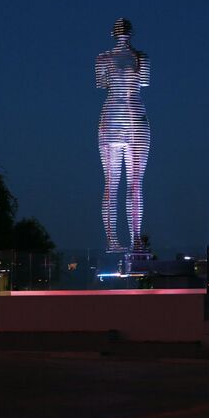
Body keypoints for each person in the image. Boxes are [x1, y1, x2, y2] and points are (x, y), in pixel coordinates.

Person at [95, 18, 151, 252]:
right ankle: (133, 239)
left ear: (112, 33)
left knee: (111, 184)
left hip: (112, 118)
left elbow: (102, 84)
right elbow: (145, 82)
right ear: (132, 32)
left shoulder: (103, 59)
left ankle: (114, 240)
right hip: (135, 117)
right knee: (134, 185)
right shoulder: (142, 58)